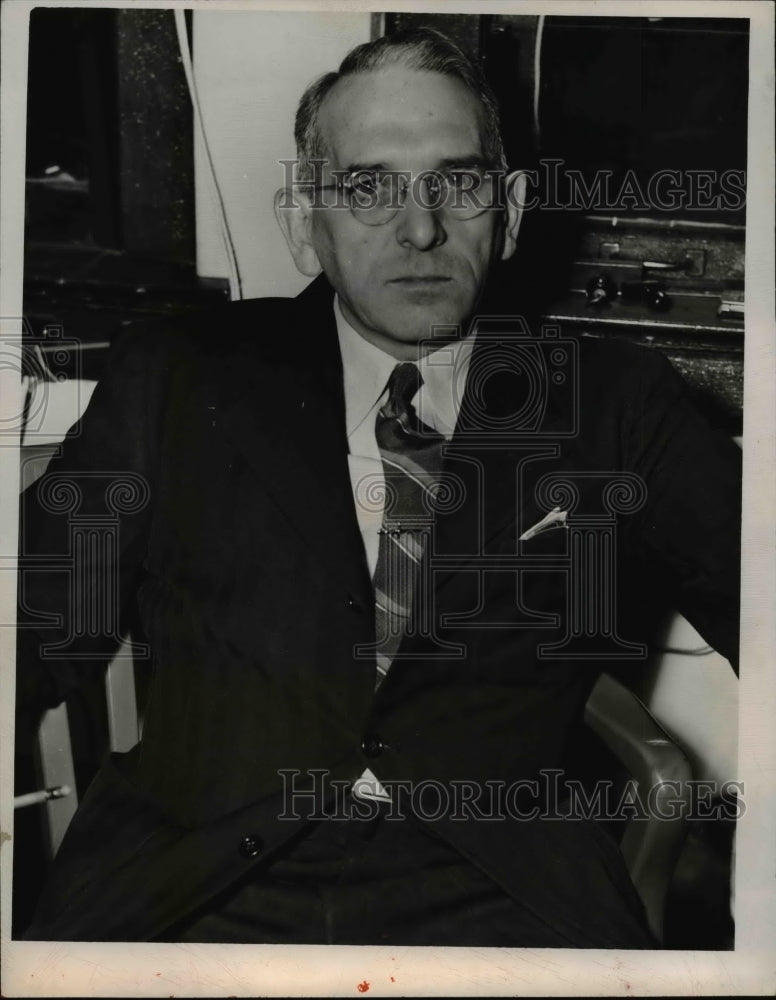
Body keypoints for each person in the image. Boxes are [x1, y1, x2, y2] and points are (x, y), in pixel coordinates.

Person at [16, 27, 740, 946]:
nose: (421, 227)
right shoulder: (180, 377)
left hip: (498, 898)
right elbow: (34, 625)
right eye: (369, 186)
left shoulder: (614, 403)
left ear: (511, 209)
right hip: (195, 894)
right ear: (302, 220)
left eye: (458, 180)